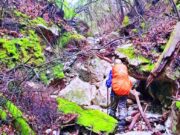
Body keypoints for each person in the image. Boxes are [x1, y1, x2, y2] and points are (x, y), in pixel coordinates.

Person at [106, 59, 133, 132]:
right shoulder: (124, 70)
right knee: (122, 106)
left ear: (114, 64)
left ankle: (111, 119)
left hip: (115, 91)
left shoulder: (113, 70)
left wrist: (107, 84)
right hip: (125, 90)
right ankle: (121, 123)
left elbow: (109, 81)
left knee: (113, 106)